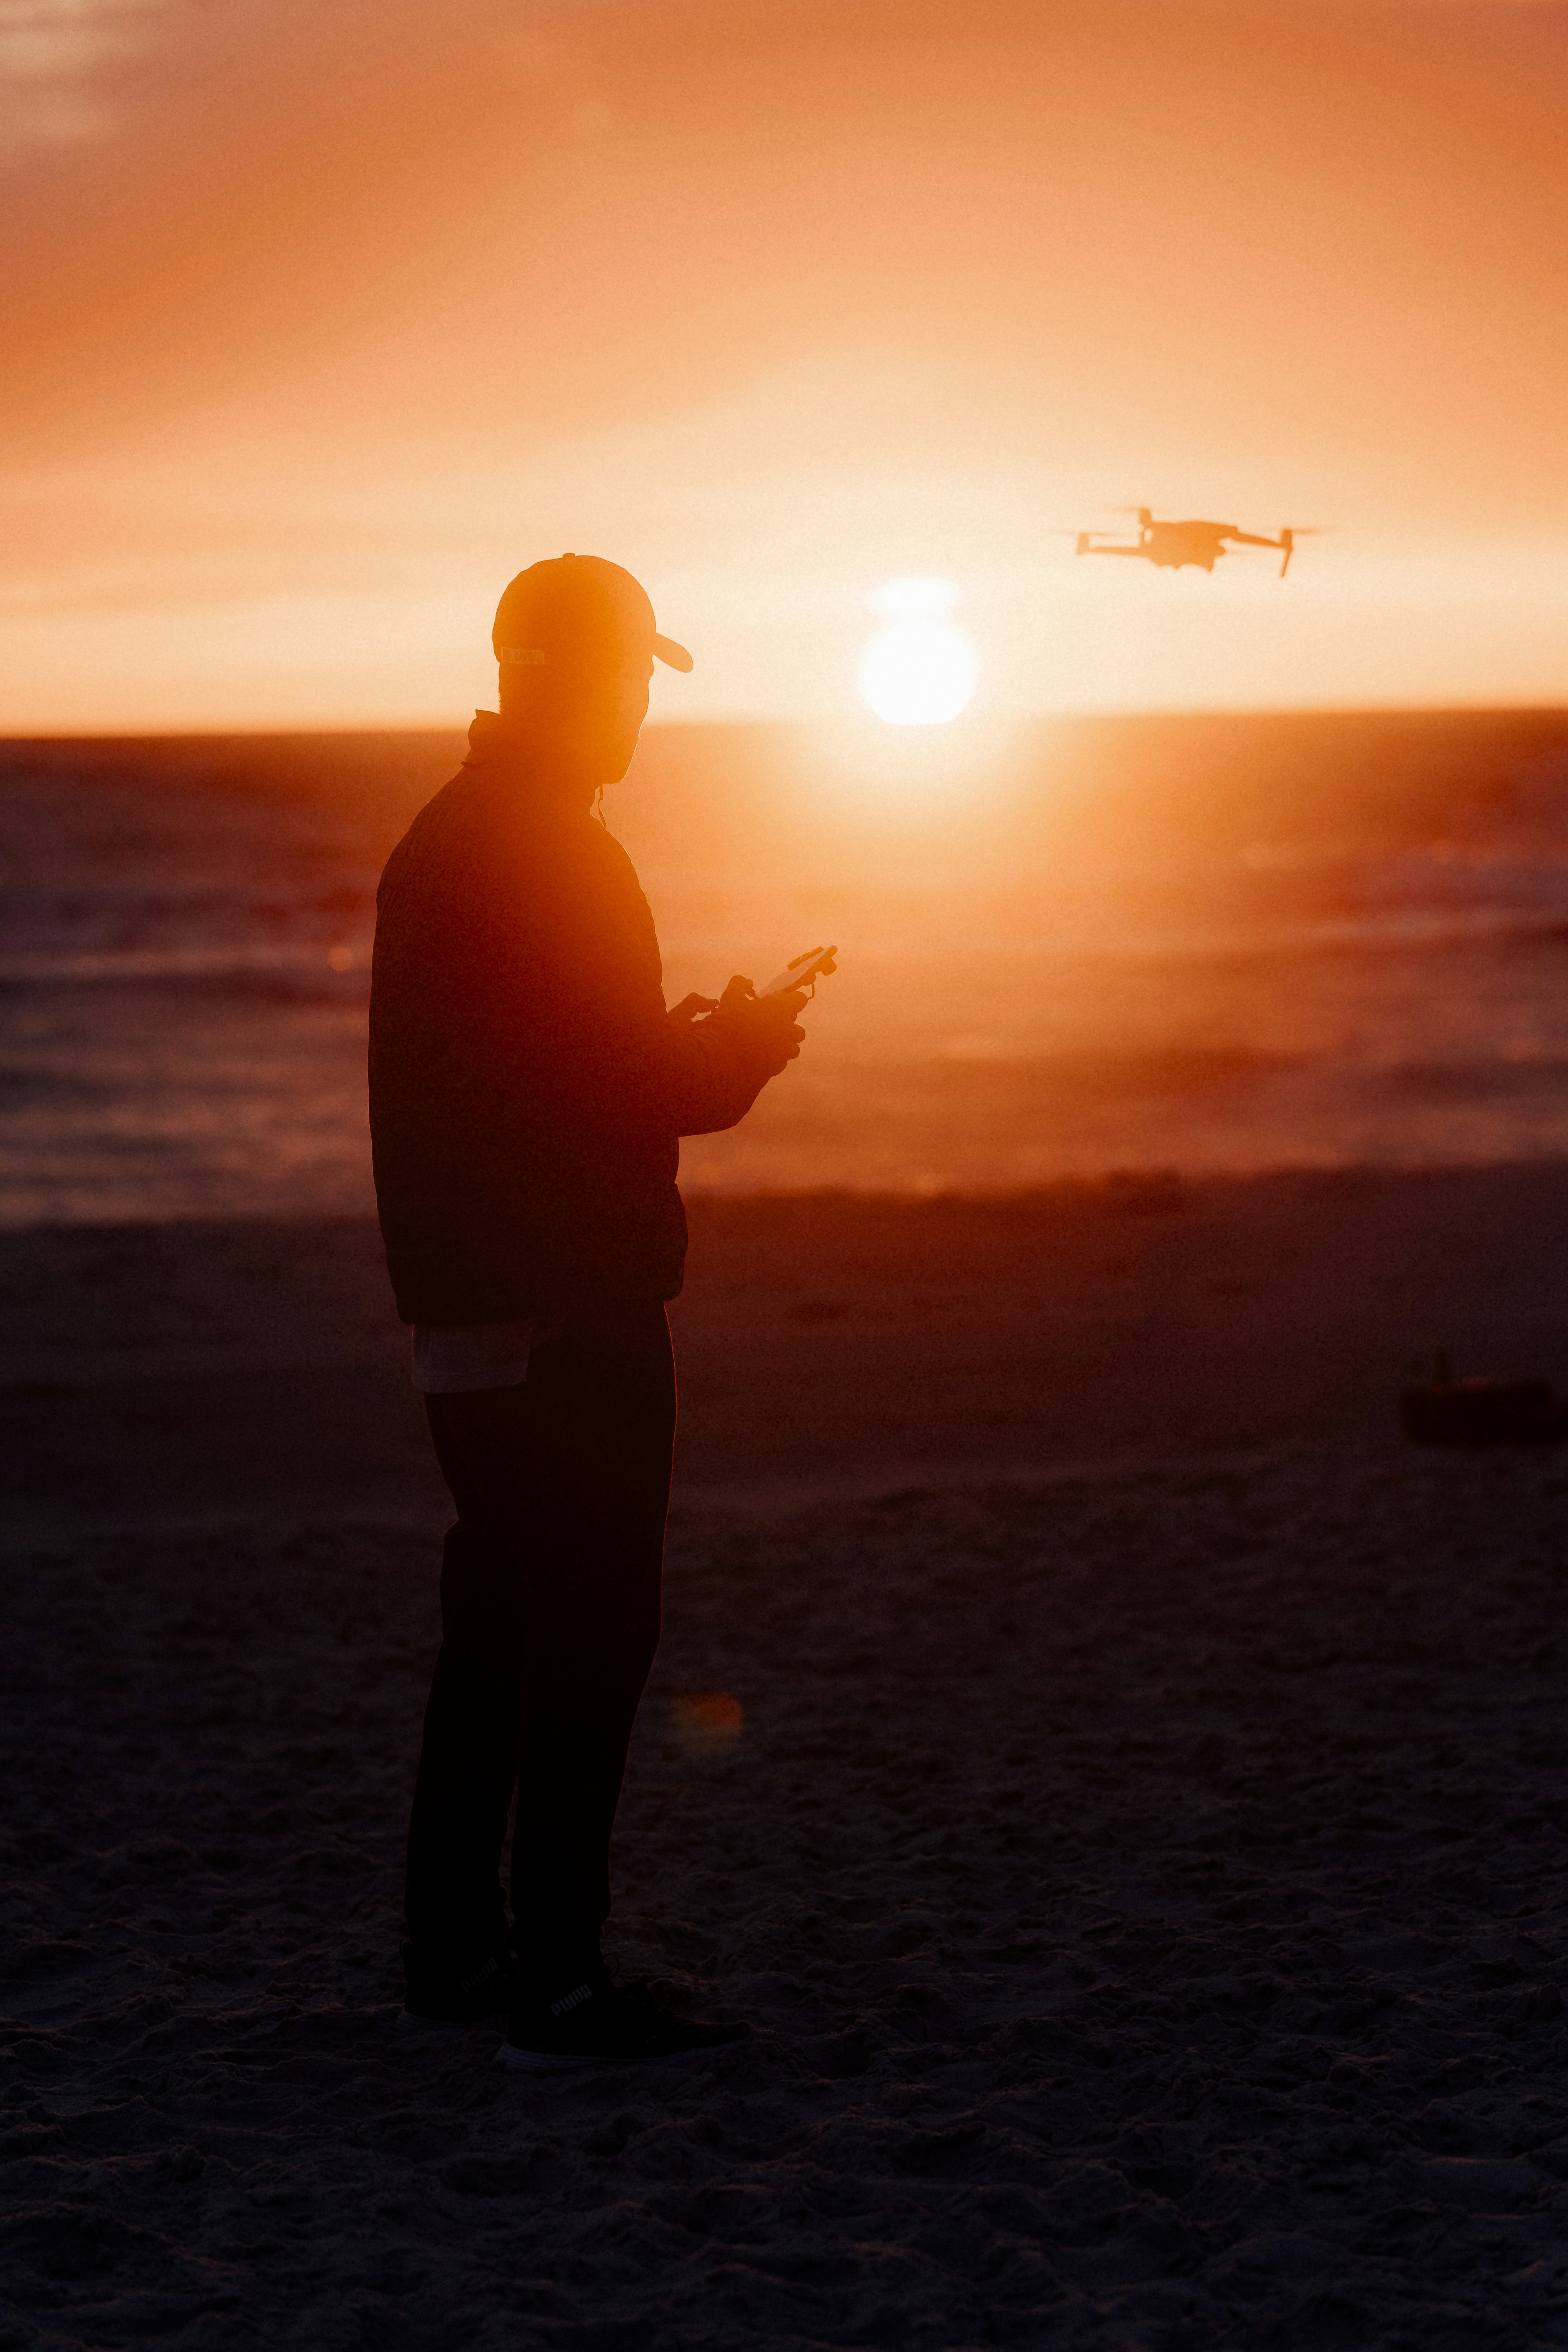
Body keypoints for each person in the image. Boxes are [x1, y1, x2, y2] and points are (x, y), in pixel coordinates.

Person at [368, 554, 808, 2070]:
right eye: (629, 684)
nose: (638, 715)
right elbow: (619, 1091)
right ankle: (557, 1976)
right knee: (595, 1631)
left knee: (496, 1622)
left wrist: (675, 1048)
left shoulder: (441, 844)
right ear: (574, 683)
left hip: (464, 1311)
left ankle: (454, 1954)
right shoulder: (555, 852)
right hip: (570, 1309)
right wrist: (740, 1051)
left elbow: (532, 1075)